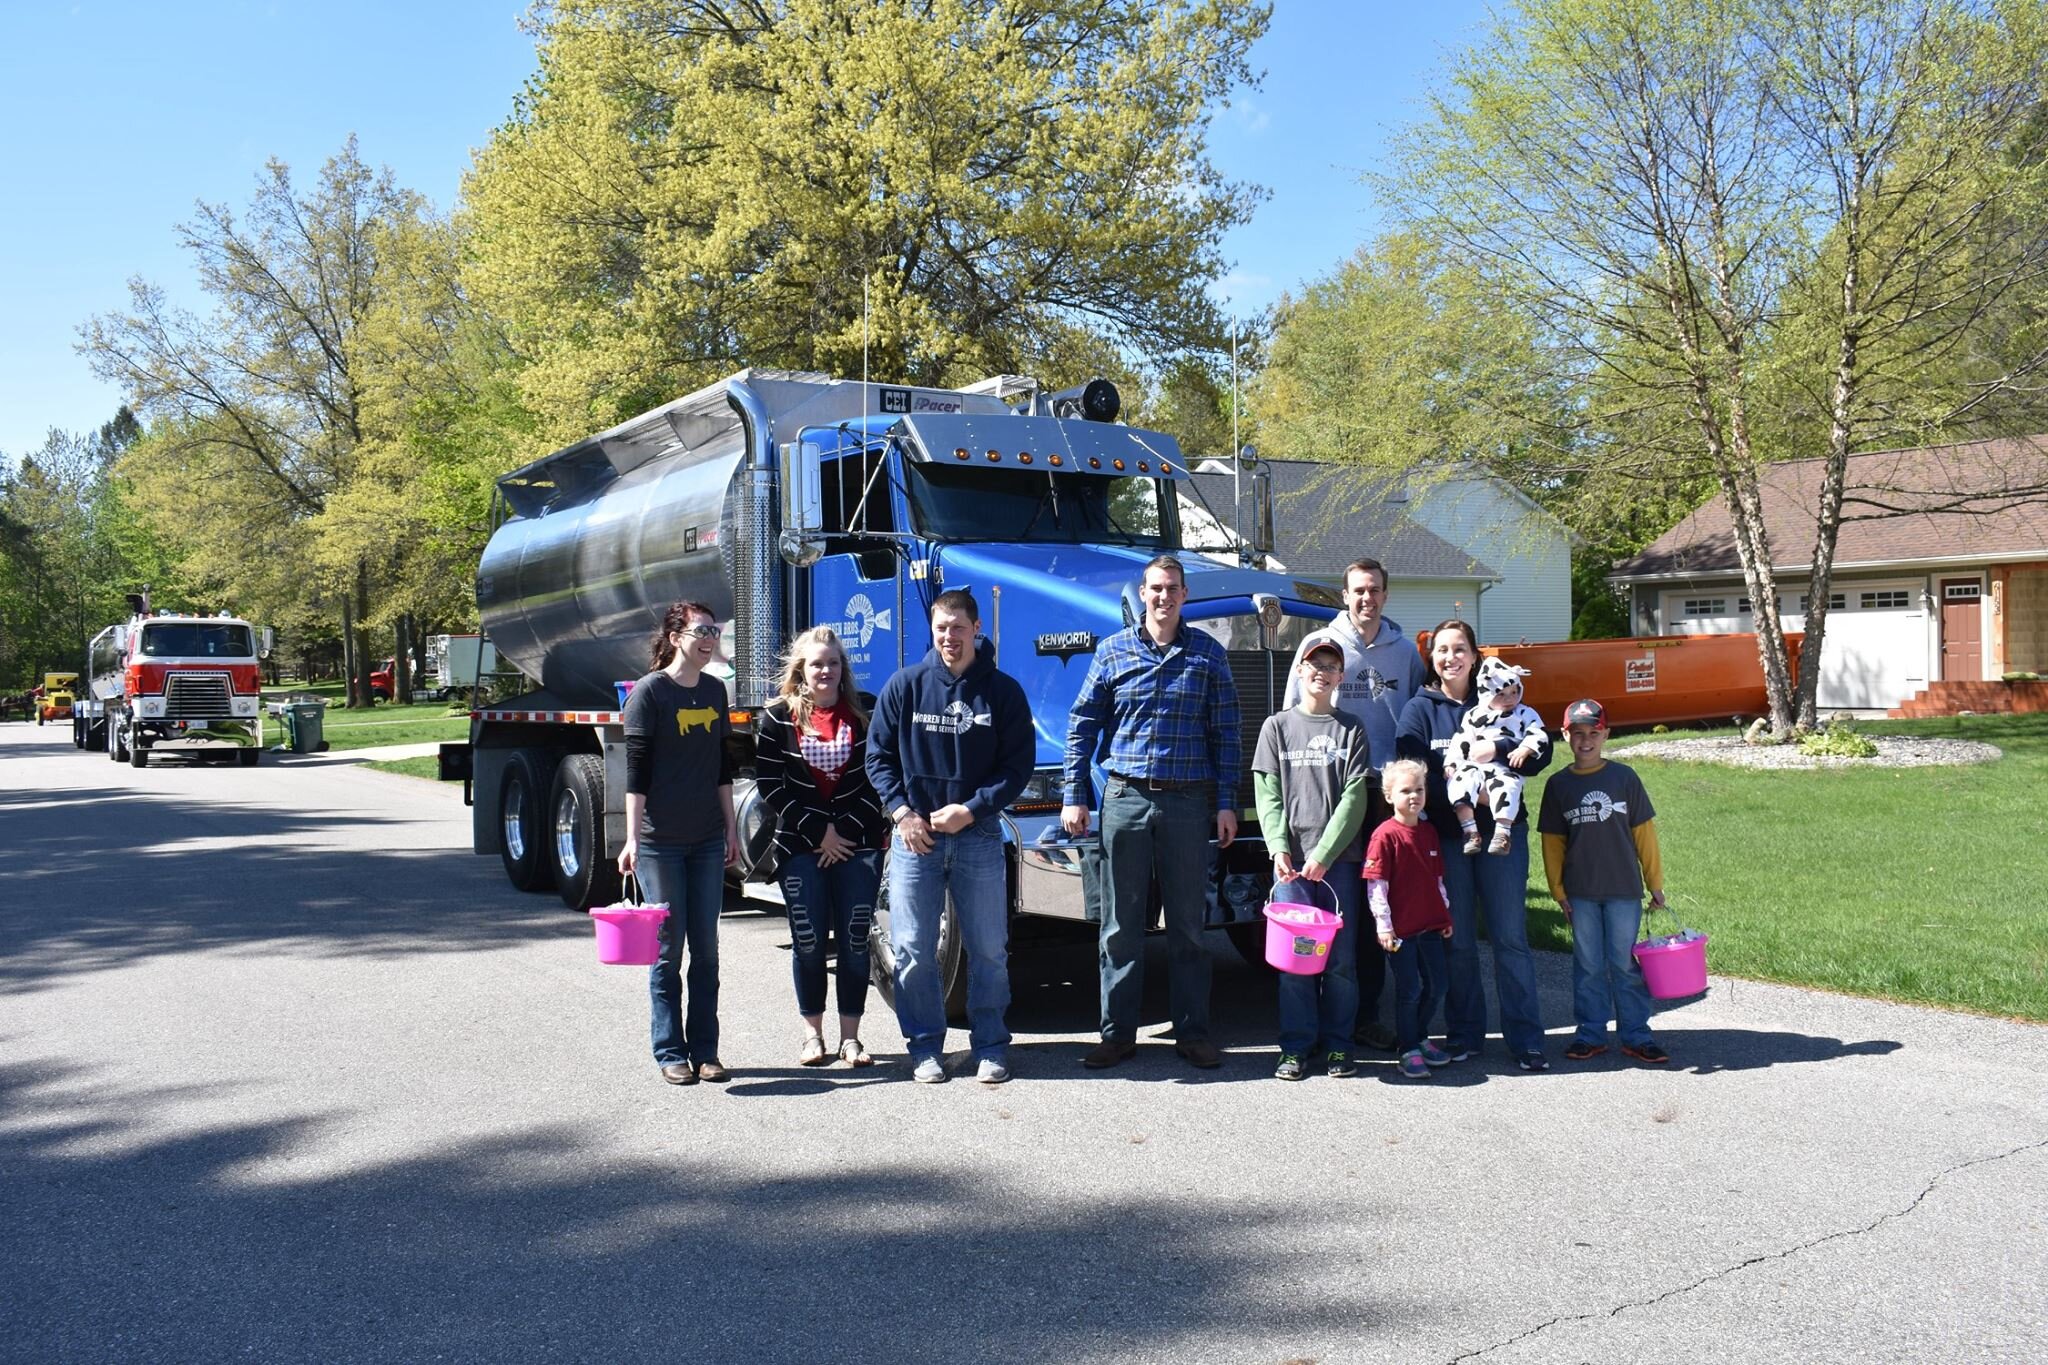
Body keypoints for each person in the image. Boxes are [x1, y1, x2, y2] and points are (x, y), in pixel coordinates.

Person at [1062, 554, 1241, 1071]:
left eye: (1173, 588)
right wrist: (1075, 793)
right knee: (1120, 925)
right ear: (1143, 594)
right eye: (1156, 588)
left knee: (1188, 923)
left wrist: (1226, 802)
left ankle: (1193, 1032)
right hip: (1126, 799)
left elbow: (1225, 734)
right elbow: (1081, 726)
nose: (1164, 597)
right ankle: (1117, 1035)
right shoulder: (1113, 652)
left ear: (1185, 596)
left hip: (1187, 802)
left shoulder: (1208, 655)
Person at [866, 589, 1034, 1085]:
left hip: (978, 837)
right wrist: (902, 814)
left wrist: (973, 809)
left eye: (958, 627)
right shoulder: (906, 686)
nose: (949, 637)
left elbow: (1016, 767)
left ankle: (990, 1046)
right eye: (941, 628)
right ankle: (923, 1048)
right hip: (914, 840)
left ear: (976, 629)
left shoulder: (1002, 692)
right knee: (914, 949)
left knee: (987, 950)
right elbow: (878, 758)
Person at [1281, 557, 1428, 1053]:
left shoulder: (1405, 653)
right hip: (1333, 791)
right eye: (1358, 590)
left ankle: (1366, 1014)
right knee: (1328, 904)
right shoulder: (1319, 645)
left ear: (1386, 596)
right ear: (1344, 595)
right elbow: (1289, 718)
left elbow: (1416, 719)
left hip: (1387, 796)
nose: (1367, 598)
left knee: (1378, 904)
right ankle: (1311, 1018)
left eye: (1375, 590)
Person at [1395, 619, 1554, 1071]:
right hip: (1450, 838)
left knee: (1510, 938)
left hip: (1503, 834)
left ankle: (1525, 1039)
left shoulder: (1505, 699)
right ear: (1433, 659)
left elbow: (1540, 753)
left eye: (1459, 648)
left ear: (1475, 655)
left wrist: (1498, 751)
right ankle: (1466, 1035)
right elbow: (1412, 765)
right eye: (1442, 650)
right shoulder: (1421, 710)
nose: (1451, 657)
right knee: (1458, 941)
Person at [755, 627, 889, 1068]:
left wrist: (844, 833)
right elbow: (770, 785)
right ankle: (813, 1036)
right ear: (801, 670)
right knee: (808, 941)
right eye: (816, 664)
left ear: (842, 668)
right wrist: (820, 833)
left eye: (833, 663)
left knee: (854, 942)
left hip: (859, 843)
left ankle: (851, 1038)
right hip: (800, 845)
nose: (825, 671)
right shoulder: (777, 718)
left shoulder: (867, 710)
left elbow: (882, 775)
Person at [619, 600, 740, 1086]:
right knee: (669, 952)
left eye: (714, 630)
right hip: (660, 843)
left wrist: (732, 829)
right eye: (700, 631)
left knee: (706, 951)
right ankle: (670, 1051)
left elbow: (722, 768)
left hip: (708, 839)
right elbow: (636, 774)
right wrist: (630, 840)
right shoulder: (649, 694)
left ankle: (706, 1051)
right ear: (675, 638)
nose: (709, 638)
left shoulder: (714, 691)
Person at [1254, 630, 1373, 1080]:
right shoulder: (1277, 727)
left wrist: (1324, 854)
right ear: (1300, 670)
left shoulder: (1351, 728)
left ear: (1341, 675)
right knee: (1296, 962)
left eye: (1330, 666)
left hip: (1337, 866)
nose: (1321, 672)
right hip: (1291, 869)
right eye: (1314, 664)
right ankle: (1296, 1047)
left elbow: (1355, 798)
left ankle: (1340, 1046)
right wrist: (1278, 847)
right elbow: (1267, 794)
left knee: (1340, 962)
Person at [1538, 698, 1671, 1065]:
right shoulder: (1558, 785)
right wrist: (1558, 891)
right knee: (1588, 965)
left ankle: (1637, 1035)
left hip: (1624, 891)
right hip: (1580, 894)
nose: (1585, 741)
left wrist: (1654, 882)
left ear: (1606, 734)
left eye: (1593, 733)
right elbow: (1552, 843)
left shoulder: (1624, 778)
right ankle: (1590, 1034)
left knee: (1624, 964)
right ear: (1565, 735)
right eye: (1577, 733)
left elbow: (1644, 834)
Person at [1363, 759, 1457, 1080]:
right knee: (1410, 989)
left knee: (1438, 984)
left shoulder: (1429, 832)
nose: (1414, 796)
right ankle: (1408, 1048)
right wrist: (1383, 925)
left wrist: (1444, 914)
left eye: (1419, 789)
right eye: (1405, 791)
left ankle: (1419, 1035)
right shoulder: (1384, 836)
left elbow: (1438, 879)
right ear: (1389, 796)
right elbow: (1377, 886)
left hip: (1430, 924)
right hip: (1400, 931)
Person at [1445, 657, 1547, 855]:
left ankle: (1502, 833)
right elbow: (1462, 739)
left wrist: (1525, 748)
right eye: (1501, 694)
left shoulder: (1524, 712)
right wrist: (1452, 763)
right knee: (1458, 782)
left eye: (1514, 692)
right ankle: (1469, 830)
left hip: (1505, 768)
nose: (1509, 699)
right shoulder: (1474, 715)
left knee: (1508, 787)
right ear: (1486, 694)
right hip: (1476, 767)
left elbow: (1539, 733)